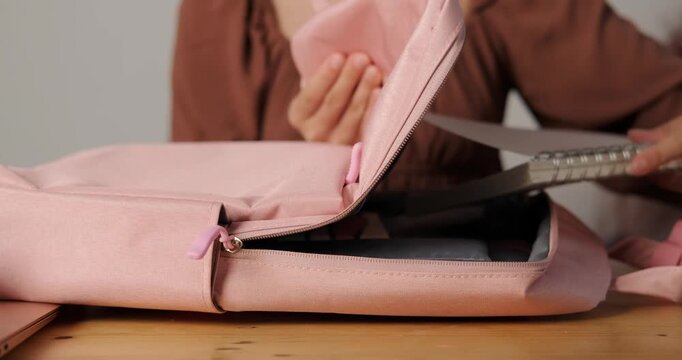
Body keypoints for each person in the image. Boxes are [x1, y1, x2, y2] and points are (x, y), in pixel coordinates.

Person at [171, 0, 682, 199]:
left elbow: (661, 122)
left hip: (471, 331)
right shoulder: (221, 14)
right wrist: (308, 172)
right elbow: (189, 220)